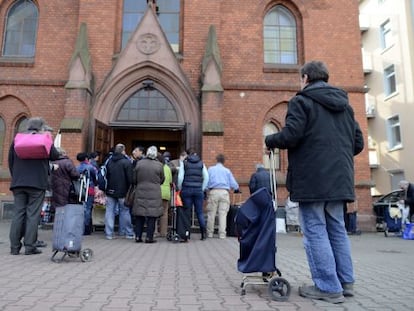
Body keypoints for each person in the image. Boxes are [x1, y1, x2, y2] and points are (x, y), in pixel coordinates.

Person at [265, 61, 364, 303]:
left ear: (306, 77)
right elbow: (358, 143)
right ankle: (345, 282)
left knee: (316, 231)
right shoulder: (345, 106)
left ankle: (328, 287)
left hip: (312, 180)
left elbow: (292, 135)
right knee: (337, 230)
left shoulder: (302, 101)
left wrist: (270, 140)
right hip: (340, 180)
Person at [8, 117, 60, 255]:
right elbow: (55, 156)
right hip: (37, 183)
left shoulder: (17, 139)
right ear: (41, 128)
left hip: (18, 183)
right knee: (33, 215)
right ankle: (30, 246)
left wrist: (16, 177)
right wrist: (49, 139)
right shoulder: (44, 139)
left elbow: (10, 161)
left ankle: (14, 247)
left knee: (18, 214)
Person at [131, 146, 165, 243]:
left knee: (139, 215)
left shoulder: (139, 163)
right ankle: (149, 237)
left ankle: (138, 236)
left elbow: (134, 179)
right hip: (154, 192)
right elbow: (162, 179)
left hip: (140, 191)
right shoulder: (159, 165)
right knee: (152, 216)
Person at [178, 148, 209, 241]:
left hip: (186, 190)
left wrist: (180, 188)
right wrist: (202, 188)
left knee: (187, 212)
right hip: (198, 190)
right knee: (199, 212)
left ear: (187, 154)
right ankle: (203, 233)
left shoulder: (185, 163)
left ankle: (186, 234)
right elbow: (206, 177)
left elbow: (180, 177)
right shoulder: (201, 163)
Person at [206, 154, 239, 239]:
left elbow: (207, 181)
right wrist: (236, 188)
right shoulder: (227, 171)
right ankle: (222, 234)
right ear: (224, 161)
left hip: (213, 191)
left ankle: (210, 233)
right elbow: (234, 184)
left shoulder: (210, 169)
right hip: (224, 192)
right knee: (223, 214)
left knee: (211, 213)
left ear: (216, 160)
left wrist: (205, 189)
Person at [104, 143, 134, 240]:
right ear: (123, 151)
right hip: (123, 191)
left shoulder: (109, 161)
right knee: (125, 211)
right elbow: (130, 179)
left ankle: (109, 233)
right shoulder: (126, 162)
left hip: (110, 190)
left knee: (109, 212)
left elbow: (106, 175)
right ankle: (127, 232)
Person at [76, 152, 97, 235]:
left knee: (81, 208)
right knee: (88, 208)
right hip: (89, 188)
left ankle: (79, 226)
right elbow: (95, 178)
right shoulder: (90, 167)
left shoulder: (76, 168)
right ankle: (86, 228)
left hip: (79, 189)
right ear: (86, 158)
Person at [157, 153, 173, 237]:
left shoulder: (156, 167)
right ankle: (163, 232)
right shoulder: (167, 168)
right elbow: (170, 180)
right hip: (166, 192)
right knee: (164, 213)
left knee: (154, 212)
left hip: (157, 192)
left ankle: (154, 231)